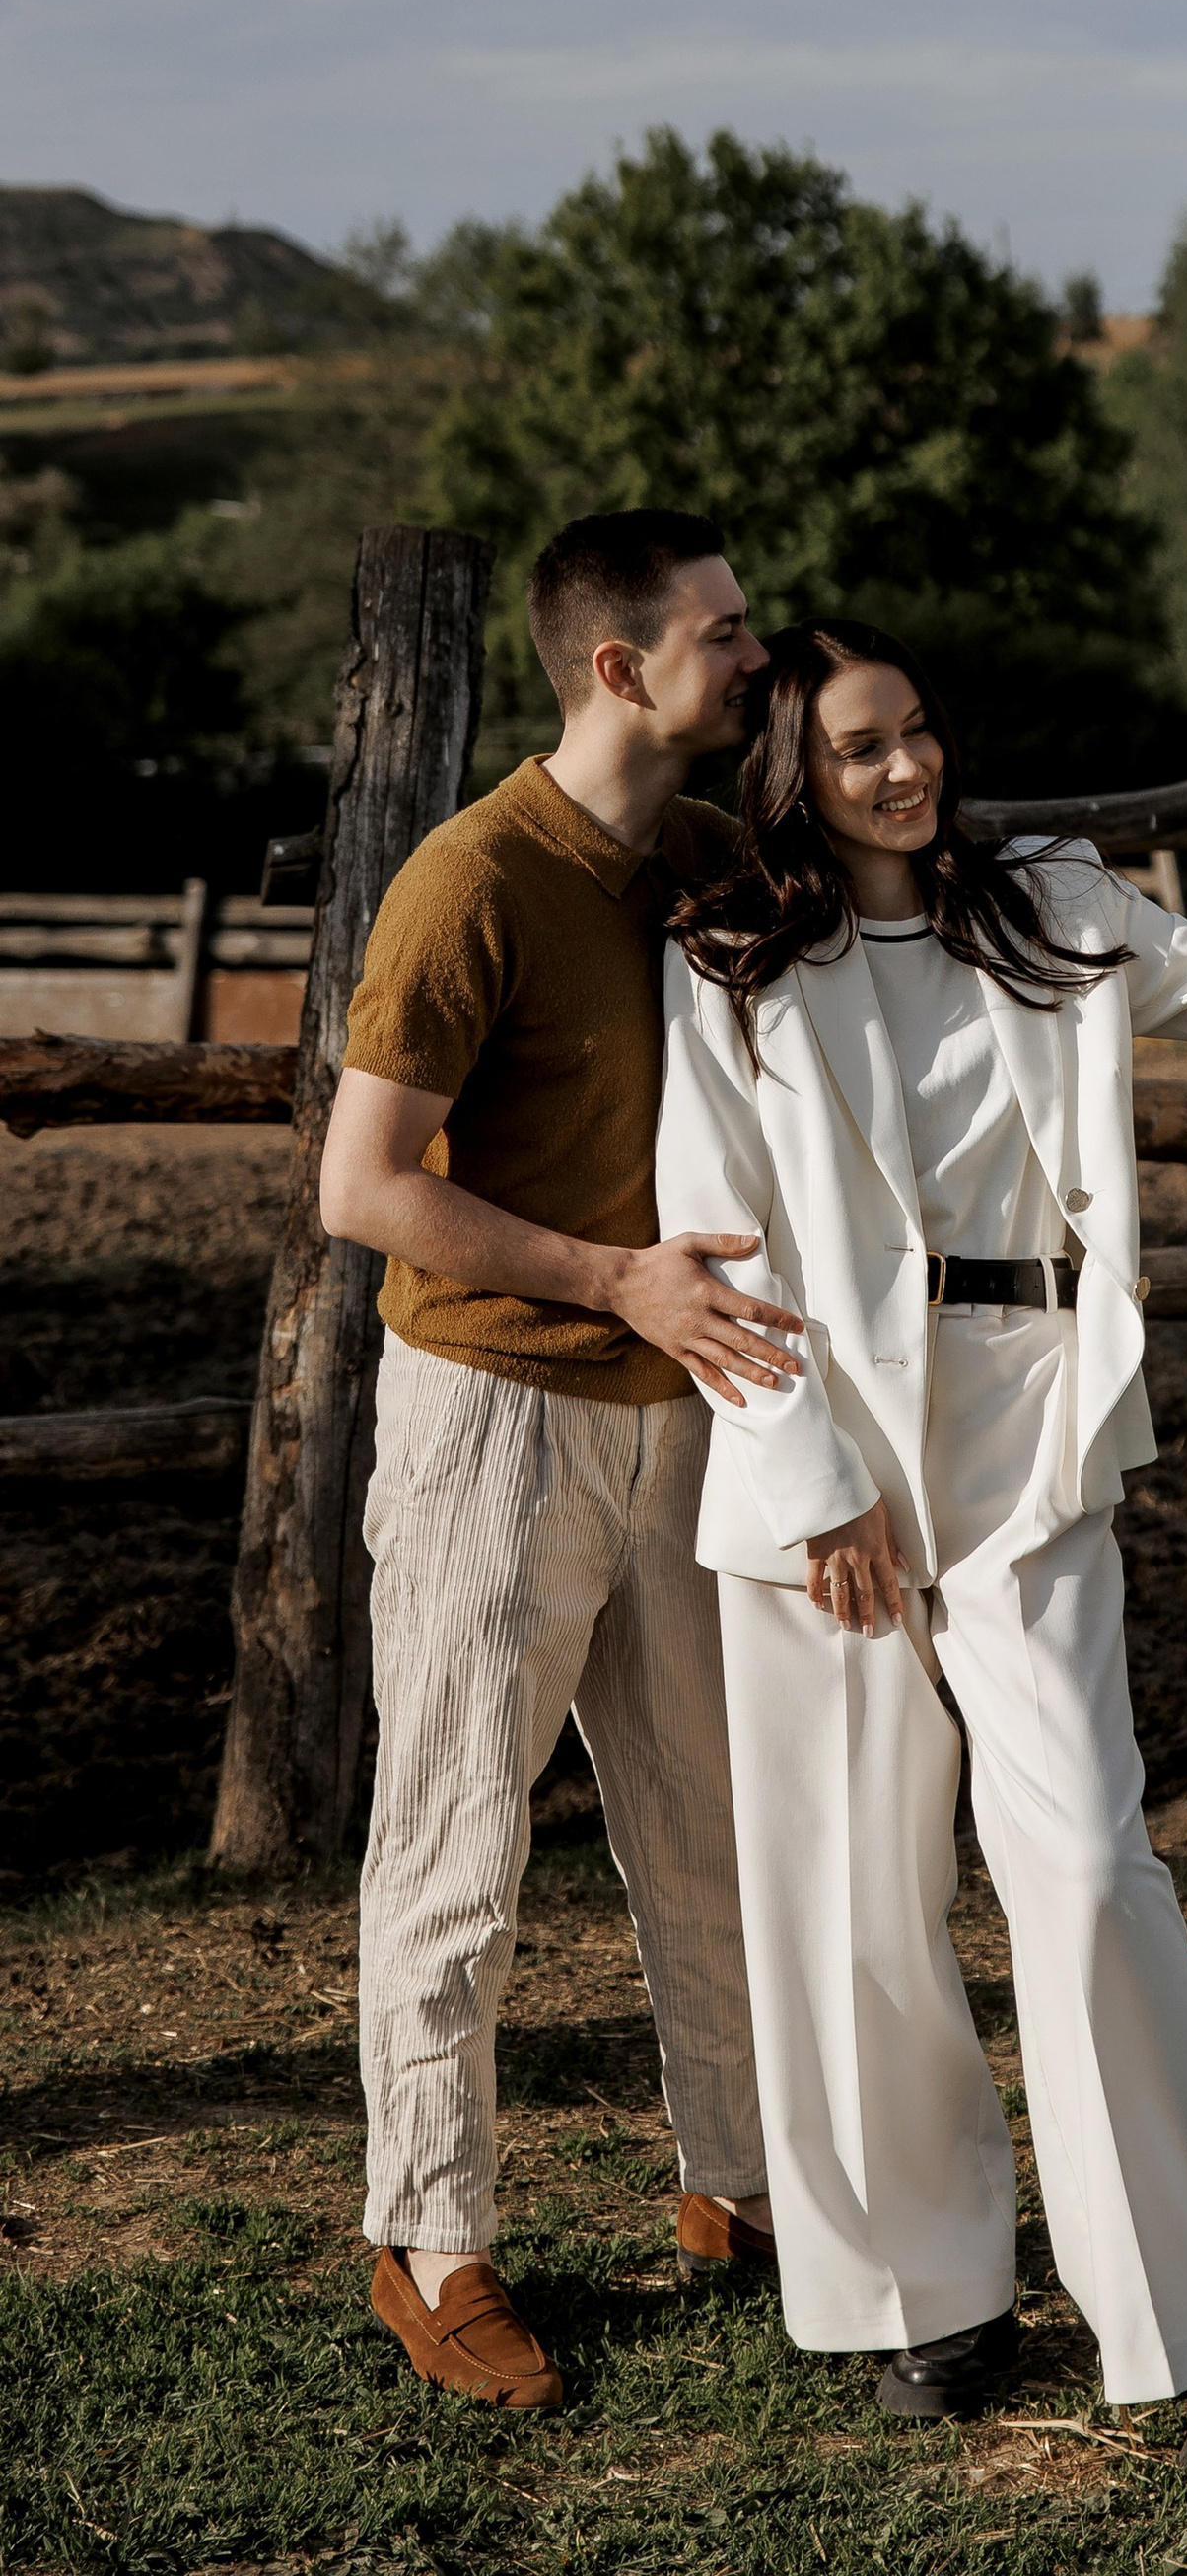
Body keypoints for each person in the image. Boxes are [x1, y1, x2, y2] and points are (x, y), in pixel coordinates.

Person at [654, 619, 1187, 2508]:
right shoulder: (728, 966)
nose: (905, 770)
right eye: (861, 748)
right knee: (857, 1895)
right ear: (792, 772)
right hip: (827, 1459)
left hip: (1030, 1427)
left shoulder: (1050, 905)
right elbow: (717, 1245)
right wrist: (808, 1486)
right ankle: (930, 2290)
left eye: (920, 734)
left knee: (1092, 1867)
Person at [321, 509, 810, 2411]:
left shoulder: (694, 858)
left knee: (710, 1830)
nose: (753, 658)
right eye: (726, 634)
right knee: (453, 1849)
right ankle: (428, 2239)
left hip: (682, 1421)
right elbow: (364, 1187)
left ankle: (745, 2188)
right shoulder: (469, 881)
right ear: (620, 668)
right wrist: (616, 1277)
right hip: (491, 1426)